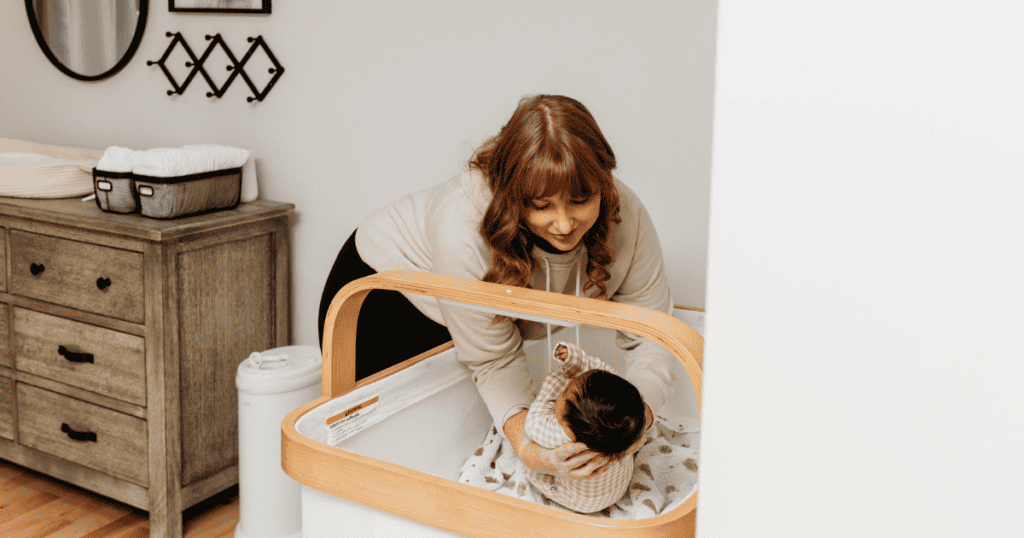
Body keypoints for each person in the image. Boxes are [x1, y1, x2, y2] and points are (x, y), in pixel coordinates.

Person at [318, 94, 676, 480]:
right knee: (393, 459)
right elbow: (494, 360)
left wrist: (637, 424)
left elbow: (653, 331)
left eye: (580, 200)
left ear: (603, 183)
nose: (564, 224)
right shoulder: (462, 225)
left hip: (463, 315)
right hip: (382, 299)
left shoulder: (630, 215)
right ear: (512, 195)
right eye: (541, 206)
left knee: (462, 444)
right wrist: (529, 450)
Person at [524, 341, 646, 513]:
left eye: (564, 392)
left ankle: (551, 492)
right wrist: (574, 360)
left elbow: (533, 420)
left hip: (580, 502)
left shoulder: (561, 435)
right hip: (619, 488)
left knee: (530, 470)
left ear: (567, 427)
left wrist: (558, 379)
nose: (565, 386)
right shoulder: (622, 422)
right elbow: (600, 372)